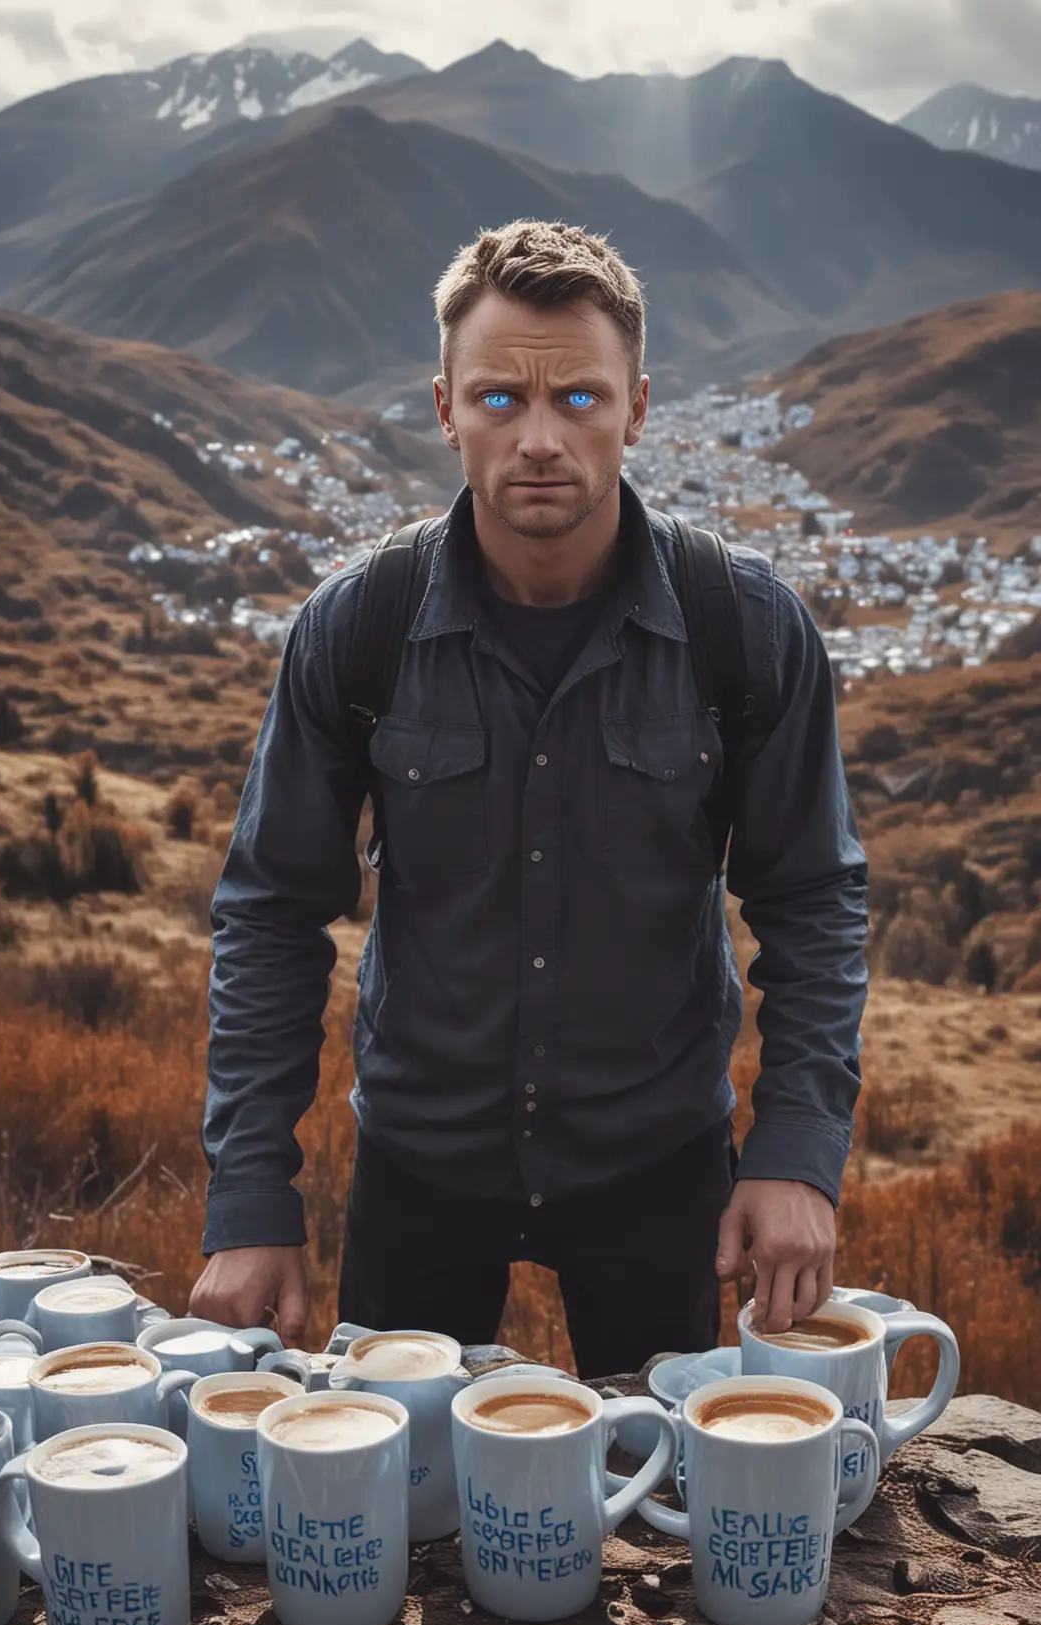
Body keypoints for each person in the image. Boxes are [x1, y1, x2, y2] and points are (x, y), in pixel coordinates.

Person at [190, 218, 868, 1379]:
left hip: (660, 1167)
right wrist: (251, 1198)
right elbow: (272, 913)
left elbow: (811, 901)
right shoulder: (358, 628)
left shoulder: (744, 629)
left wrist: (797, 1154)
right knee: (396, 1521)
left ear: (639, 408)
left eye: (581, 400)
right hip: (421, 1162)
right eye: (500, 400)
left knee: (666, 1509)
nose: (541, 438)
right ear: (445, 406)